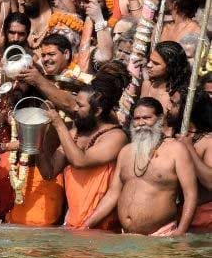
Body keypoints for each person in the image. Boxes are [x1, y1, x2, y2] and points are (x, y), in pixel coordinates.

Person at [83, 98, 197, 236]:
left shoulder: (176, 149)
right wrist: (86, 225)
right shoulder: (125, 151)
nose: (141, 123)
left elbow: (190, 194)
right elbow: (113, 194)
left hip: (161, 236)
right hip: (126, 237)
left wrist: (180, 232)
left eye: (147, 118)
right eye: (137, 119)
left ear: (160, 119)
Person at [40, 78, 129, 230]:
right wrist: (37, 139)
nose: (74, 109)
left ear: (98, 111)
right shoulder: (74, 134)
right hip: (73, 225)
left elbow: (80, 161)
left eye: (80, 105)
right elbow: (49, 172)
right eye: (75, 103)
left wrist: (59, 125)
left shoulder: (116, 137)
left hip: (102, 229)